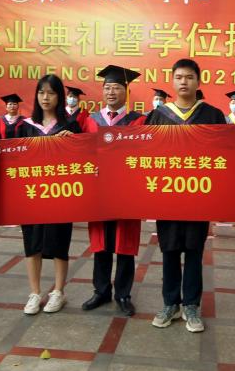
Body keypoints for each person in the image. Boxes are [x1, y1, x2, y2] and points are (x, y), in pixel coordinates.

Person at [146, 58, 226, 333]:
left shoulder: (212, 116)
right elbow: (143, 155)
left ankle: (191, 305)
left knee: (194, 250)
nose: (184, 81)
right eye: (179, 77)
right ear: (172, 81)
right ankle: (170, 303)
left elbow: (228, 153)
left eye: (189, 77)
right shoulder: (158, 116)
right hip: (167, 196)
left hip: (198, 196)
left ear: (198, 82)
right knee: (169, 250)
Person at [81, 65, 145, 317]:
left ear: (126, 91)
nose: (110, 92)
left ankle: (123, 294)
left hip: (127, 191)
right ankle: (101, 291)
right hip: (98, 191)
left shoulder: (138, 120)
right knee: (101, 243)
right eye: (107, 87)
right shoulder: (91, 120)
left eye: (116, 87)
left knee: (124, 244)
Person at [16, 74, 81, 315]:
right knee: (32, 244)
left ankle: (58, 292)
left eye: (51, 93)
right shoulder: (25, 126)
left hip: (60, 195)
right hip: (32, 195)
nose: (45, 97)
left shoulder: (70, 126)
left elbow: (82, 162)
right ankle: (35, 293)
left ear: (59, 96)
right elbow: (14, 159)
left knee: (59, 243)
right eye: (41, 92)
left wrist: (73, 143)